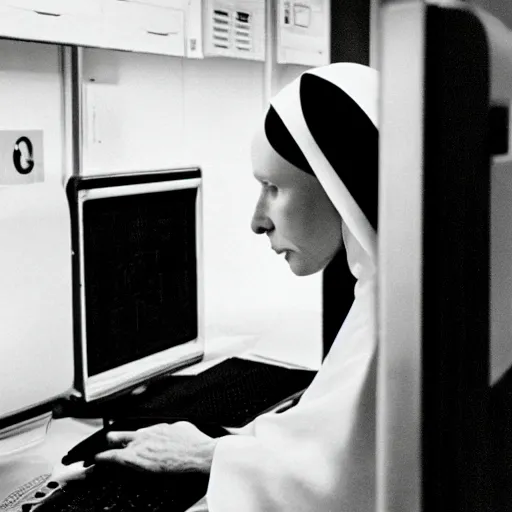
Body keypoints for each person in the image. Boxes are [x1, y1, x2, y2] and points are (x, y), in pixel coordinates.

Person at [93, 62, 379, 511]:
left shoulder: (394, 321)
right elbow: (332, 447)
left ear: (338, 182)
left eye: (273, 187)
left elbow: (340, 485)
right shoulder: (391, 294)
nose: (257, 221)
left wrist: (208, 454)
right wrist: (219, 451)